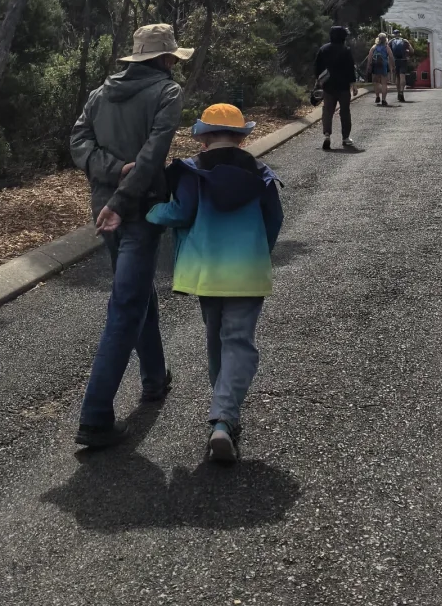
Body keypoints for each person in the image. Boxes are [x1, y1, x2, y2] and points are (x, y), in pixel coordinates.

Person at [70, 23, 193, 449]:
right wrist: (122, 200)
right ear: (165, 59)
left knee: (137, 292)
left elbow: (78, 141)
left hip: (104, 208)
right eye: (173, 57)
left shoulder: (99, 94)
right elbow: (152, 155)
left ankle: (155, 377)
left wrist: (110, 173)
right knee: (126, 305)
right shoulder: (168, 93)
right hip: (136, 210)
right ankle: (95, 417)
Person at [147, 104, 283, 463]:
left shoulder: (191, 172)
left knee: (216, 340)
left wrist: (151, 213)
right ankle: (224, 419)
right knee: (239, 342)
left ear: (204, 137)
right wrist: (259, 252)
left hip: (207, 272)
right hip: (247, 271)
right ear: (240, 138)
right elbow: (274, 218)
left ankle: (223, 413)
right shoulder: (261, 173)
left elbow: (181, 213)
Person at [314, 24, 359, 151]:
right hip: (343, 87)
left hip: (328, 86)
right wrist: (353, 85)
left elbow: (317, 67)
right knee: (345, 112)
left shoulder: (323, 49)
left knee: (328, 111)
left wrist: (318, 81)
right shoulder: (346, 50)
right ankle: (345, 137)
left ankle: (327, 135)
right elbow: (350, 69)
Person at [368, 33, 396, 105]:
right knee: (384, 84)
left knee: (376, 82)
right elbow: (391, 57)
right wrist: (393, 66)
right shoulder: (386, 47)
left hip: (375, 66)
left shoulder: (374, 47)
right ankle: (383, 99)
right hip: (384, 66)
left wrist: (369, 66)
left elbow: (369, 57)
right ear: (385, 40)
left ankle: (377, 96)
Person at [389, 31, 412, 103]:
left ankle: (398, 92)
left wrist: (390, 64)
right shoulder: (404, 41)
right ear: (400, 34)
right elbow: (412, 50)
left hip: (395, 61)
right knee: (402, 76)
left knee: (397, 77)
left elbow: (388, 52)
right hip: (403, 60)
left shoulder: (391, 41)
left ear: (394, 35)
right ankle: (402, 91)